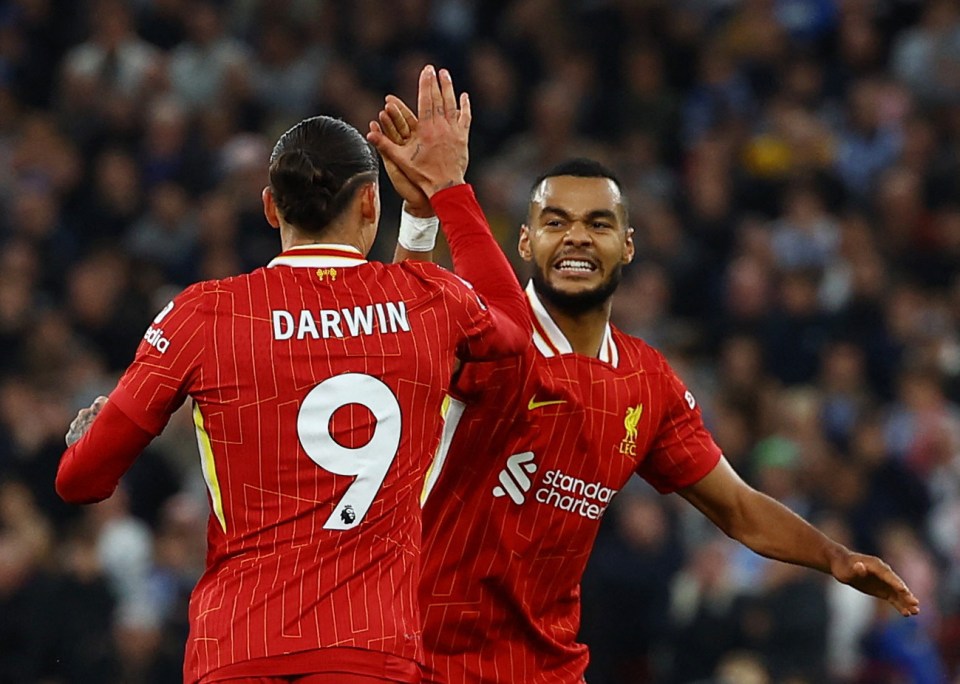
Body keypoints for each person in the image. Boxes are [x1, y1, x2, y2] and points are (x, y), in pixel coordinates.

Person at [369, 100, 920, 684]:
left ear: (628, 245)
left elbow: (737, 508)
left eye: (598, 223)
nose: (576, 238)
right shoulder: (485, 326)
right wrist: (423, 212)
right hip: (426, 659)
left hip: (545, 667)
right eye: (556, 222)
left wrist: (834, 556)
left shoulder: (647, 380)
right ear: (526, 242)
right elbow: (412, 314)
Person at [55, 65, 530, 684]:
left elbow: (80, 482)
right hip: (370, 649)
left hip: (236, 650)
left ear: (269, 207)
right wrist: (447, 192)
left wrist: (88, 441)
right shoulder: (427, 301)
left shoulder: (205, 313)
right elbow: (516, 338)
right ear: (369, 202)